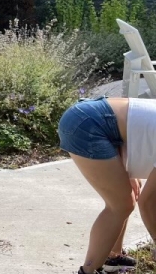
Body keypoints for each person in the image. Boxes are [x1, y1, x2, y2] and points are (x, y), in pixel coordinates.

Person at [57, 96, 154, 274]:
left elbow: (138, 127)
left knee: (127, 197)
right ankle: (88, 270)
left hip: (102, 119)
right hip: (88, 124)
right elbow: (149, 204)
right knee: (120, 205)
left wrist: (127, 168)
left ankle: (112, 257)